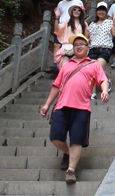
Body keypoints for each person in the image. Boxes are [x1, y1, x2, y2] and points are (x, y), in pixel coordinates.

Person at [40, 35, 109, 184]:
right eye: (76, 44)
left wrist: (104, 91)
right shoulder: (66, 65)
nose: (79, 46)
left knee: (77, 140)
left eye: (82, 44)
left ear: (87, 47)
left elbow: (103, 79)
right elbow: (56, 85)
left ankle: (71, 170)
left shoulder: (93, 65)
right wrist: (47, 104)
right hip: (61, 106)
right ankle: (68, 153)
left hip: (82, 108)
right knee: (56, 136)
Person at [47, 0, 83, 74]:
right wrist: (57, 18)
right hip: (62, 25)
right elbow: (59, 14)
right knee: (56, 44)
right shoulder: (61, 3)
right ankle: (55, 64)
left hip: (73, 25)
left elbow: (81, 12)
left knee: (70, 44)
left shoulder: (78, 2)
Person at [87, 1, 115, 73]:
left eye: (103, 10)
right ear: (96, 11)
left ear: (106, 12)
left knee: (97, 68)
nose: (101, 12)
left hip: (105, 49)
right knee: (91, 70)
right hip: (93, 49)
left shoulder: (109, 22)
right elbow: (86, 37)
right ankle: (105, 79)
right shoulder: (92, 24)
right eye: (99, 10)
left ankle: (105, 80)